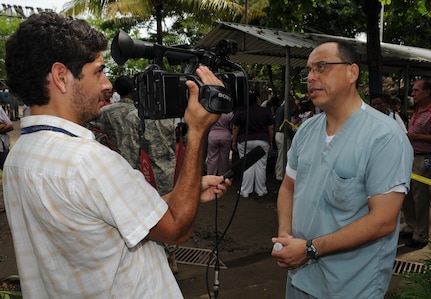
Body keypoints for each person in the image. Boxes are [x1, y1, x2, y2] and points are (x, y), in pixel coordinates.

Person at [3, 12, 231, 298]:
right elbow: (176, 230)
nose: (107, 84)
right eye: (98, 71)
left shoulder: (18, 157)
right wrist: (197, 132)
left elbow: (111, 216)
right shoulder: (88, 161)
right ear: (61, 77)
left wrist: (186, 193)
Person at [271, 40, 413, 299]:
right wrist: (285, 235)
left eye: (322, 67)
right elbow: (289, 186)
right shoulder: (307, 131)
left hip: (350, 287)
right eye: (309, 71)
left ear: (352, 73)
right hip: (299, 279)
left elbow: (382, 221)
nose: (311, 77)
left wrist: (310, 249)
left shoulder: (385, 136)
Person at [400, 78, 431, 248]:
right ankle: (410, 226)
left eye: (416, 91)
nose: (412, 94)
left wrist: (417, 137)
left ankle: (421, 234)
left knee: (421, 197)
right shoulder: (417, 110)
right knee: (408, 194)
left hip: (424, 158)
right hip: (410, 156)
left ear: (427, 92)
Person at [232, 89, 274, 197]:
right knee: (261, 166)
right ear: (258, 99)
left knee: (246, 165)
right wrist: (270, 141)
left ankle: (245, 190)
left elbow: (235, 127)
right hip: (262, 140)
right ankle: (261, 190)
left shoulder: (240, 111)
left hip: (244, 140)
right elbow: (271, 127)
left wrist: (234, 141)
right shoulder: (265, 111)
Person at [88, 75, 136, 153]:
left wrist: (105, 141)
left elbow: (88, 127)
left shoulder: (105, 111)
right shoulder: (140, 111)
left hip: (115, 155)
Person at [274, 96, 292, 182]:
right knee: (283, 156)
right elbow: (287, 124)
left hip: (278, 134)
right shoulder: (286, 109)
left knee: (281, 155)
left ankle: (279, 173)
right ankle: (280, 174)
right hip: (282, 134)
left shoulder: (279, 109)